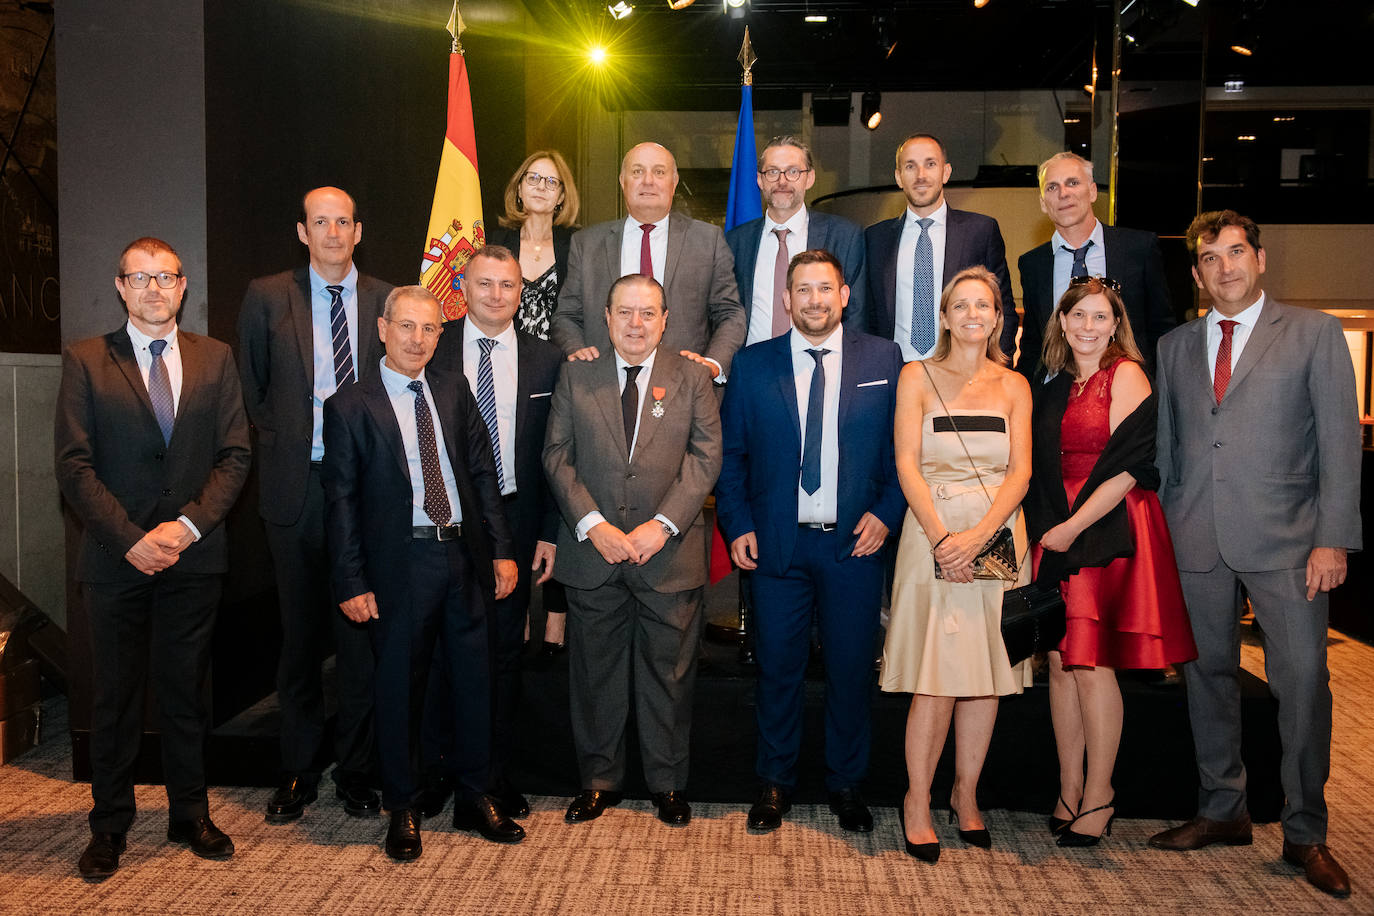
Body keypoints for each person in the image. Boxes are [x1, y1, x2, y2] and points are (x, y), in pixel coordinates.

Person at [1149, 211, 1361, 898]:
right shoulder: (1176, 345)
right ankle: (1223, 810)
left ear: (1260, 259)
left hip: (1290, 542)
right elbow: (1170, 447)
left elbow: (1338, 442)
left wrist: (1334, 537)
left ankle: (1306, 831)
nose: (1226, 267)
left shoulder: (1313, 333)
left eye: (1237, 252)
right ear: (1196, 273)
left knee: (1300, 685)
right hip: (1196, 538)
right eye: (1211, 258)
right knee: (1207, 678)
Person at [56, 237, 251, 879]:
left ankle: (188, 814)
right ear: (120, 287)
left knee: (185, 695)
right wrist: (132, 539)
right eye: (140, 278)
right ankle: (109, 825)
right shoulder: (86, 360)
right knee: (114, 699)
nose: (153, 288)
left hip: (193, 560)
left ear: (183, 284)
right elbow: (74, 466)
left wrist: (187, 528)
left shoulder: (216, 358)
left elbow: (235, 456)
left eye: (165, 277)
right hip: (116, 560)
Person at [323, 286, 522, 860]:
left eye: (430, 329)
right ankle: (403, 806)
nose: (417, 339)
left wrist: (501, 552)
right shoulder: (350, 406)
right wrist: (351, 580)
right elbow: (340, 503)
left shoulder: (455, 390)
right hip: (398, 565)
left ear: (442, 334)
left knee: (474, 682)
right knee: (400, 690)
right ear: (382, 327)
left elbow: (484, 475)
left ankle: (474, 796)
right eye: (406, 327)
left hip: (463, 558)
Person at [715, 250, 904, 833]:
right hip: (777, 547)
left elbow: (906, 450)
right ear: (787, 298)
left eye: (825, 289)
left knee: (850, 670)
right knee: (778, 669)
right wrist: (738, 524)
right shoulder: (752, 365)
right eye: (803, 290)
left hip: (855, 545)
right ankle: (776, 782)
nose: (815, 300)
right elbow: (732, 456)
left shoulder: (885, 358)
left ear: (844, 295)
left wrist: (888, 512)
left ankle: (846, 785)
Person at [1023, 277, 1197, 848]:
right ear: (1063, 323)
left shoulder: (1126, 375)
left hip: (1105, 525)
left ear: (1116, 325)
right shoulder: (1054, 384)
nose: (1089, 327)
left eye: (1101, 318)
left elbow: (1130, 465)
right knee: (1060, 664)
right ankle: (1068, 788)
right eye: (1079, 317)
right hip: (1059, 529)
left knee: (1093, 666)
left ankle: (1100, 794)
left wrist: (1072, 528)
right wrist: (1046, 535)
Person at [543, 274, 723, 828]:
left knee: (669, 678)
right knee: (595, 676)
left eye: (648, 313)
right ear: (606, 314)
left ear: (665, 318)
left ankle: (667, 785)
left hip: (667, 557)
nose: (637, 324)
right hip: (593, 556)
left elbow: (705, 457)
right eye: (625, 312)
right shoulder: (576, 375)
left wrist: (663, 525)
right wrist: (593, 525)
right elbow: (556, 456)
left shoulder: (693, 377)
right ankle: (598, 781)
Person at [237, 186, 391, 824]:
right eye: (320, 222)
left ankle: (356, 772)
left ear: (359, 231)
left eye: (343, 222)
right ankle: (299, 771)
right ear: (303, 232)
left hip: (367, 493)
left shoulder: (387, 300)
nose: (332, 232)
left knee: (362, 641)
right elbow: (251, 389)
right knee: (300, 640)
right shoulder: (267, 297)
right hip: (296, 491)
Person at [878, 266, 1033, 863]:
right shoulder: (916, 376)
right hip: (931, 534)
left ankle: (966, 796)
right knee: (936, 676)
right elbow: (907, 463)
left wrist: (981, 537)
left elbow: (1019, 472)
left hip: (998, 534)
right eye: (960, 305)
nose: (972, 315)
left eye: (983, 306)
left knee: (987, 674)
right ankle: (918, 801)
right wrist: (946, 539)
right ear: (943, 317)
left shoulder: (1015, 385)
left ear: (998, 318)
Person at [420, 245, 562, 821]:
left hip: (518, 521)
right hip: (445, 519)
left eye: (508, 285)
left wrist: (550, 531)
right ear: (464, 285)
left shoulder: (548, 361)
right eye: (485, 284)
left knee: (503, 655)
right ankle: (438, 772)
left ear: (521, 291)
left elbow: (557, 453)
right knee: (439, 653)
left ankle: (492, 777)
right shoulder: (432, 346)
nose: (497, 295)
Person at [485, 149, 580, 654]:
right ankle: (515, 607)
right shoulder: (495, 242)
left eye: (552, 180)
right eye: (533, 178)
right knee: (513, 483)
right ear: (519, 188)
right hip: (502, 376)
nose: (542, 186)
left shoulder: (577, 244)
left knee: (560, 480)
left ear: (563, 193)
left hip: (559, 374)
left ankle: (558, 612)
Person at [550, 141, 746, 381]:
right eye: (637, 171)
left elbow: (730, 314)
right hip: (603, 389)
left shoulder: (708, 240)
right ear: (623, 181)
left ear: (674, 183)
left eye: (659, 172)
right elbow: (566, 316)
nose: (648, 180)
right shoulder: (587, 243)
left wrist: (713, 364)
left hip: (685, 388)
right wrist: (576, 350)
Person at [1016, 152, 1174, 378]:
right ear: (1043, 203)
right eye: (1052, 187)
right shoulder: (1033, 264)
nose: (1063, 193)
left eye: (1073, 183)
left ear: (1091, 191)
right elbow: (1033, 345)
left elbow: (1162, 331)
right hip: (1056, 400)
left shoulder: (1139, 249)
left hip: (1126, 394)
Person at [864, 134, 1018, 362]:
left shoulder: (980, 231)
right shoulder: (875, 238)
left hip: (963, 373)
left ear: (946, 172)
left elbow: (1003, 309)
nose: (921, 175)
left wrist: (994, 371)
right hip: (894, 374)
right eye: (910, 166)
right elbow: (866, 315)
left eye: (930, 164)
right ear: (898, 177)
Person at [724, 137, 868, 345]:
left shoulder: (845, 236)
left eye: (793, 172)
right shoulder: (735, 241)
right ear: (759, 180)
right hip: (752, 367)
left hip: (820, 367)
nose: (782, 181)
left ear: (809, 178)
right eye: (772, 172)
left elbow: (856, 315)